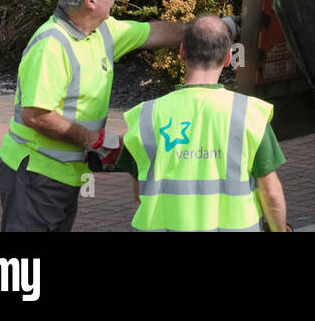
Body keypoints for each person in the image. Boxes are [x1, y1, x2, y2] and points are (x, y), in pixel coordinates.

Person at [0, 0, 193, 232]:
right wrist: (95, 141)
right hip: (36, 174)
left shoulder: (103, 31)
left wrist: (213, 30)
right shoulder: (51, 45)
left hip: (61, 173)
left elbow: (154, 32)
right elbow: (37, 116)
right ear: (91, 0)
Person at [120, 15, 289, 232]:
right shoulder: (249, 114)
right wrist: (280, 229)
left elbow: (139, 192)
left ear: (182, 52)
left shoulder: (144, 116)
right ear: (228, 57)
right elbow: (271, 193)